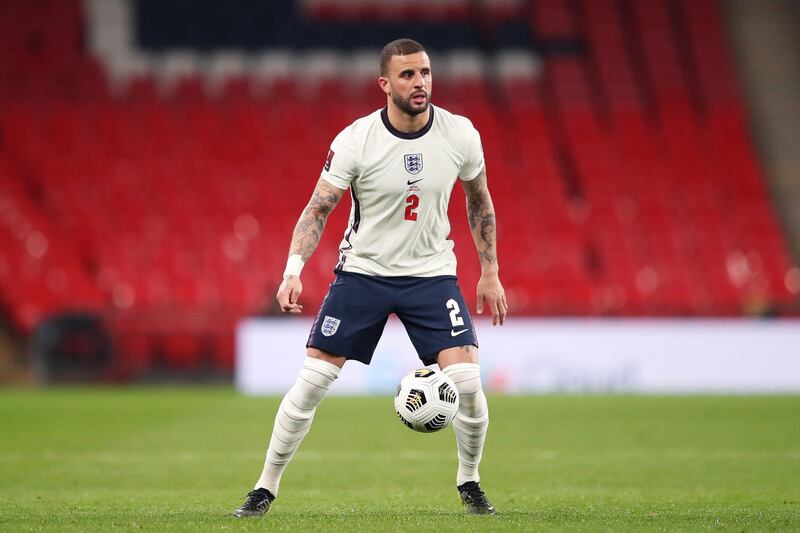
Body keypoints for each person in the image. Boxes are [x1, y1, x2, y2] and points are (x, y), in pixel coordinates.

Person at [234, 38, 507, 518]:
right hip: (364, 272)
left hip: (431, 275)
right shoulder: (356, 140)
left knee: (466, 380)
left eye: (424, 72)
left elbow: (478, 200)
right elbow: (318, 208)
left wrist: (491, 272)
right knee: (312, 381)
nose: (419, 82)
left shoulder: (460, 134)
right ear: (384, 84)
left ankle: (470, 482)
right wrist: (292, 270)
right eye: (407, 75)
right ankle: (264, 488)